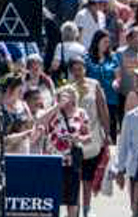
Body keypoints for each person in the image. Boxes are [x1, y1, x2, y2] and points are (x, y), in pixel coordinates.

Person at [68, 55, 111, 217]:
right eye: (75, 70)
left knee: (87, 178)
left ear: (85, 69)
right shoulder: (68, 88)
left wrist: (107, 133)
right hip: (75, 141)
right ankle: (75, 210)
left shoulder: (95, 85)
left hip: (93, 139)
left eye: (81, 69)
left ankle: (86, 210)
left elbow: (103, 110)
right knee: (74, 178)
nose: (78, 72)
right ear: (71, 71)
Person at [45, 86, 92, 217]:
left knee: (73, 197)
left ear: (74, 97)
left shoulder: (81, 113)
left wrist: (79, 138)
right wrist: (56, 106)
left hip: (73, 160)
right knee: (53, 196)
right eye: (63, 96)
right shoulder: (53, 112)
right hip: (54, 159)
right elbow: (40, 122)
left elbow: (89, 137)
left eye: (69, 95)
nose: (66, 99)